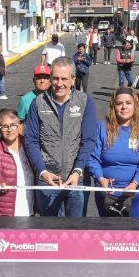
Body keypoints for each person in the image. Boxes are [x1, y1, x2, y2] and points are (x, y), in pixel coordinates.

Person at [24, 58, 98, 217]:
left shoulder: (85, 102)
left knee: (76, 232)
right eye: (55, 78)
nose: (59, 83)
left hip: (77, 178)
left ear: (73, 80)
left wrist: (77, 171)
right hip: (48, 179)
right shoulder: (38, 103)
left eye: (64, 78)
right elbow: (31, 141)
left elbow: (88, 141)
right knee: (51, 233)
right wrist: (42, 171)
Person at [86, 88, 139, 218]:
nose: (124, 107)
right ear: (113, 106)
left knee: (133, 234)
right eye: (119, 103)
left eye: (128, 103)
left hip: (136, 192)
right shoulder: (101, 127)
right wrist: (100, 179)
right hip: (107, 192)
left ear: (135, 105)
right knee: (108, 234)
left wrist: (134, 184)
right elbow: (92, 158)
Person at [0, 108, 35, 218]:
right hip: (5, 213)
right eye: (5, 126)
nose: (9, 129)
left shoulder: (30, 146)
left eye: (13, 125)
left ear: (19, 125)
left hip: (29, 208)